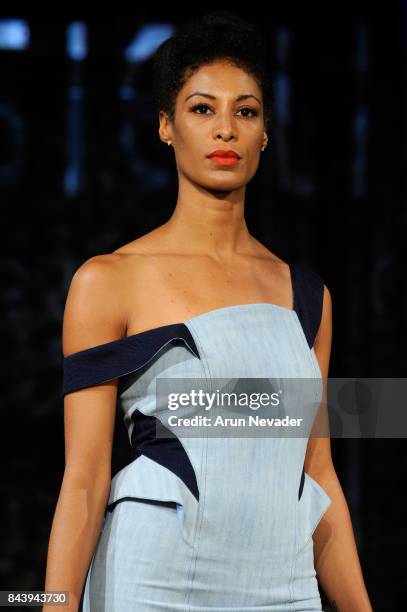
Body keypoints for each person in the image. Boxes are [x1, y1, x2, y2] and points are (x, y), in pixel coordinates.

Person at [43, 10, 373, 611]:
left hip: (284, 588)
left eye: (244, 111)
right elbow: (85, 480)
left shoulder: (307, 297)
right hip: (152, 583)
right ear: (166, 126)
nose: (225, 129)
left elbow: (319, 476)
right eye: (202, 109)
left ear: (265, 133)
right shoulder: (109, 280)